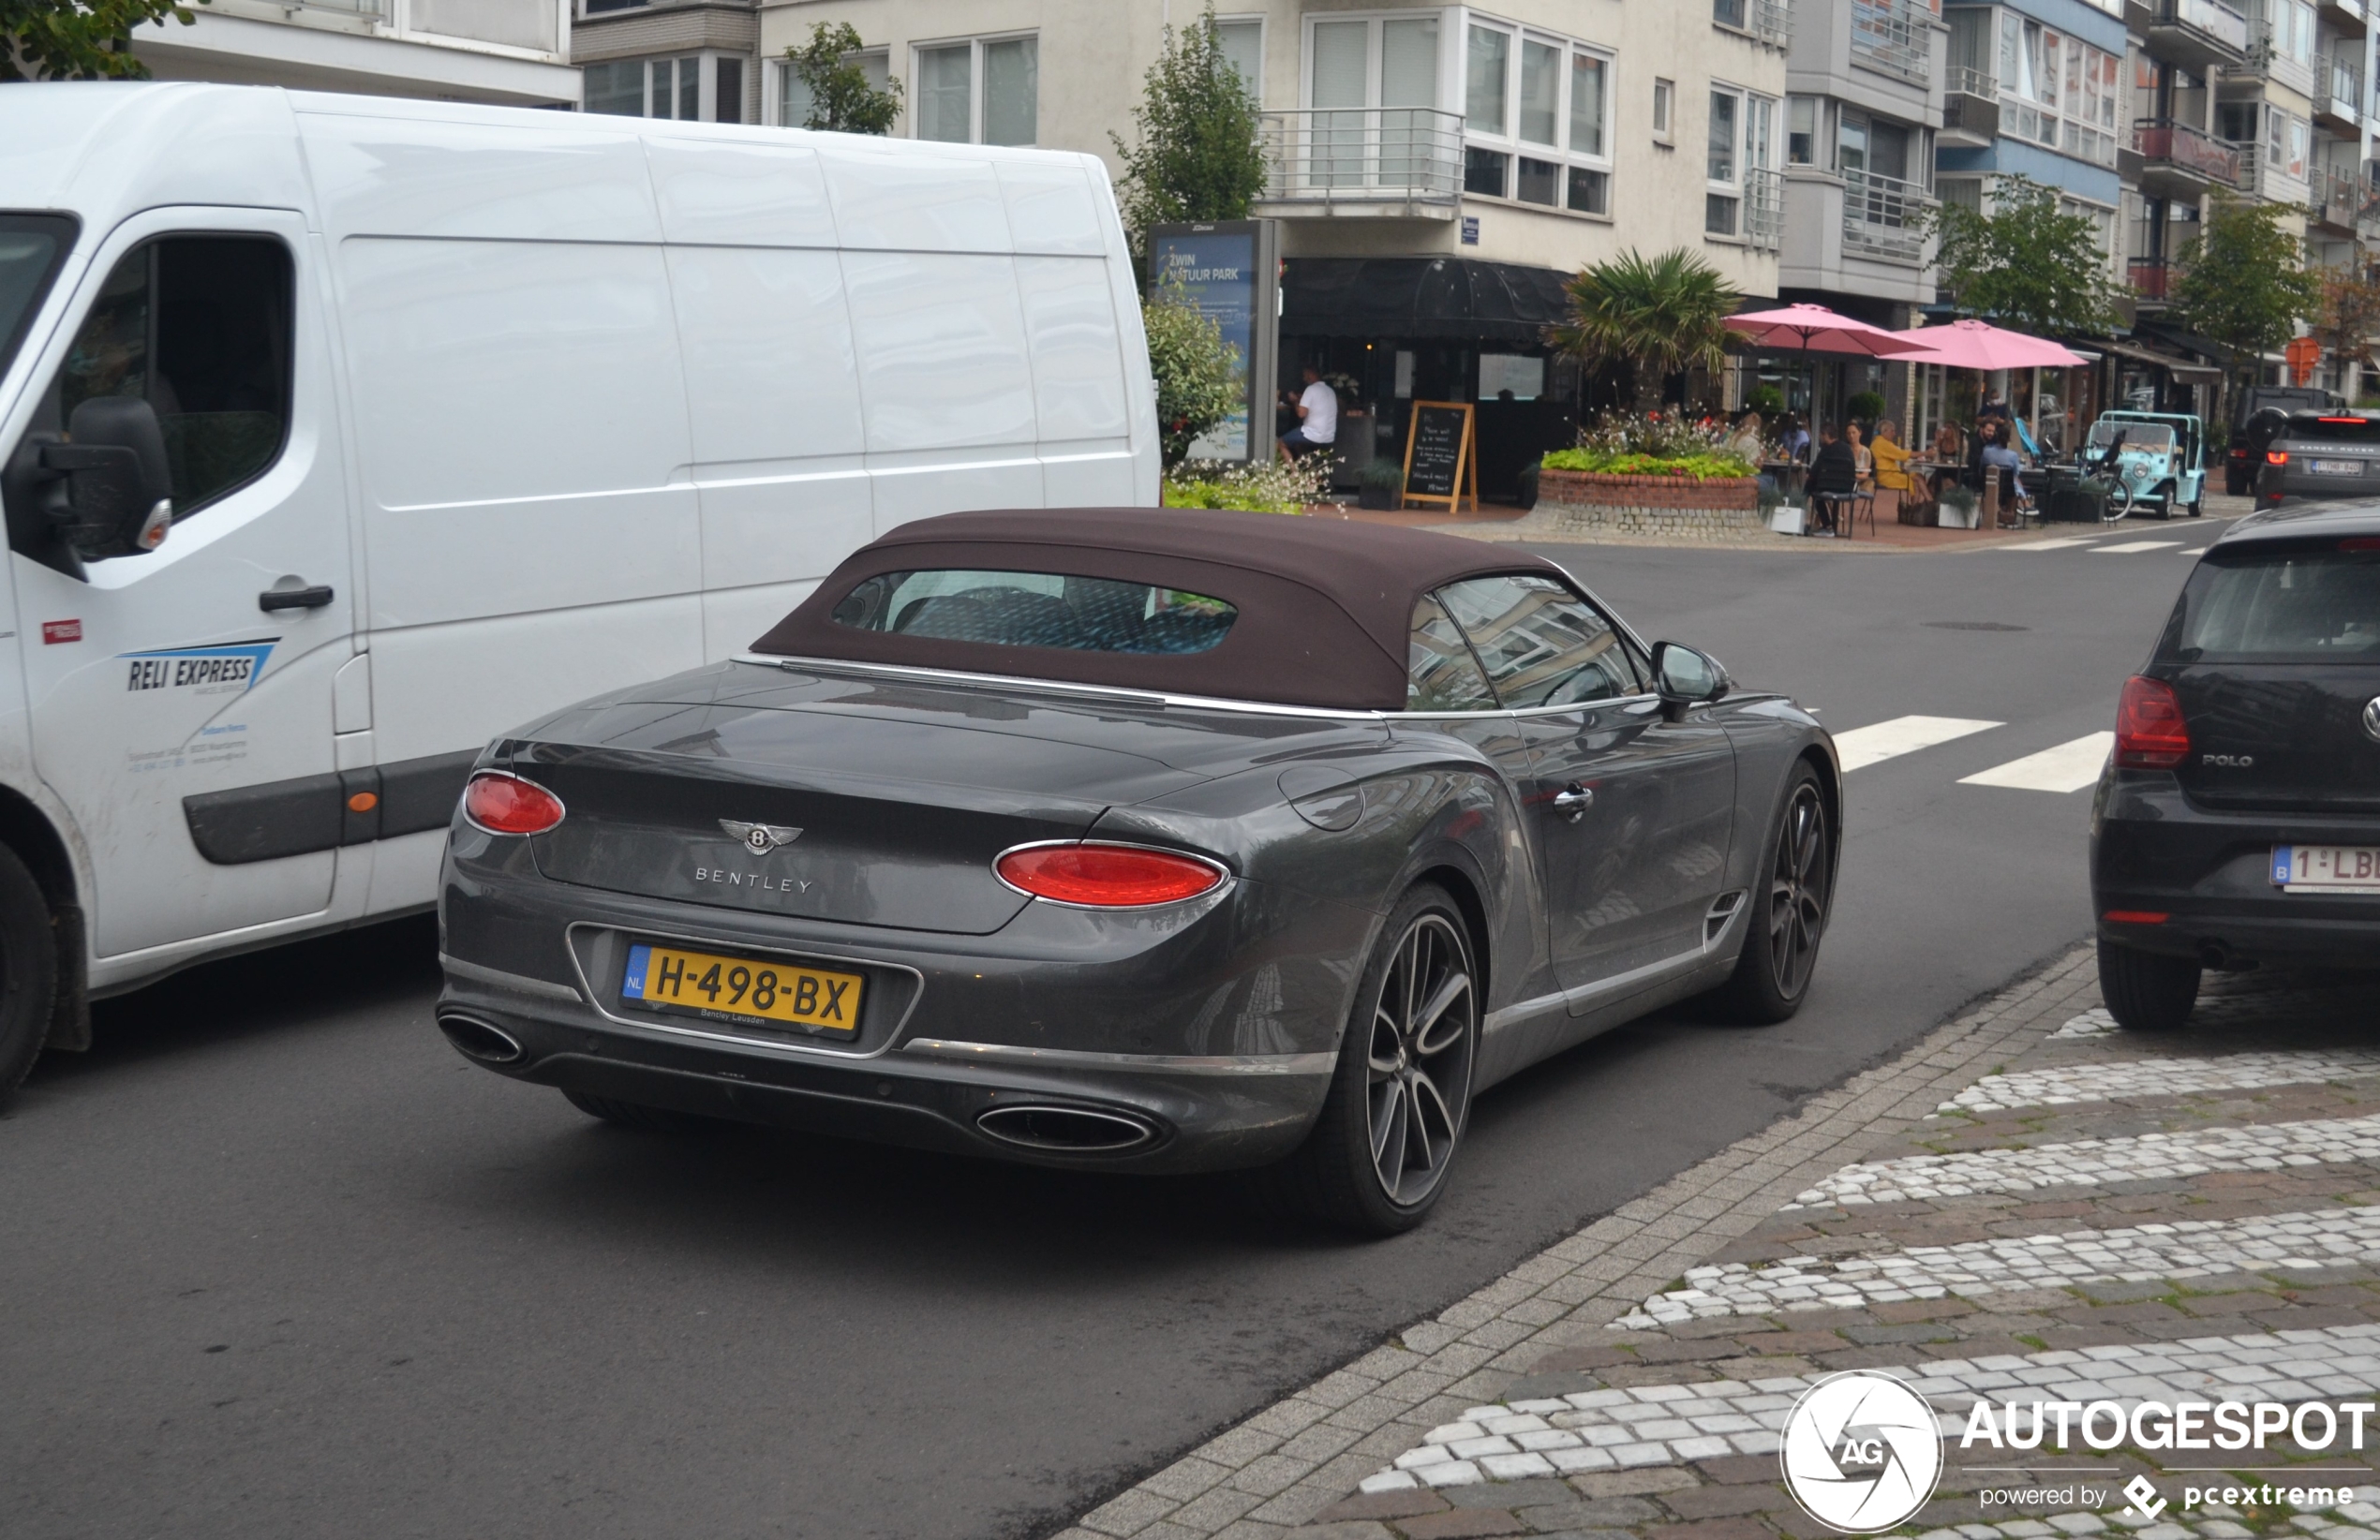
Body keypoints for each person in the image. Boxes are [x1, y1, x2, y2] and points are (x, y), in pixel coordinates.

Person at [1807, 422, 1858, 536]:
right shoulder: (1847, 449)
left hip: (1827, 486)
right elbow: (1853, 471)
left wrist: (1810, 477)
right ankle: (1829, 527)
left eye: (1821, 435)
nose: (1820, 438)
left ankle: (1827, 526)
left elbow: (1815, 471)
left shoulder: (1825, 450)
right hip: (1846, 489)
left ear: (1826, 435)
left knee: (1811, 488)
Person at [1279, 365, 1337, 462]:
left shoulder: (1310, 389)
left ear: (1310, 375)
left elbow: (1301, 414)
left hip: (1313, 434)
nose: (1303, 378)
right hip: (1329, 436)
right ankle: (1310, 469)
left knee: (1281, 442)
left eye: (1304, 375)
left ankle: (1294, 472)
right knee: (1298, 444)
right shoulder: (1330, 391)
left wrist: (1294, 401)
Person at [1981, 423, 2025, 526]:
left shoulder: (1986, 452)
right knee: (2015, 484)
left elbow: (1982, 466)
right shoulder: (2013, 455)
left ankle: (1997, 512)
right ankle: (2010, 514)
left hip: (1987, 486)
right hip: (2007, 488)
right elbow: (2015, 473)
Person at [1870, 419, 1912, 520]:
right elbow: (1901, 454)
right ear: (1884, 431)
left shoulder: (1878, 442)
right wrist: (1925, 454)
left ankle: (1916, 509)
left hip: (1890, 473)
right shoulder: (1882, 443)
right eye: (1892, 431)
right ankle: (1914, 512)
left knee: (1919, 478)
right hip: (1886, 476)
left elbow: (1889, 460)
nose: (1894, 434)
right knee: (1914, 481)